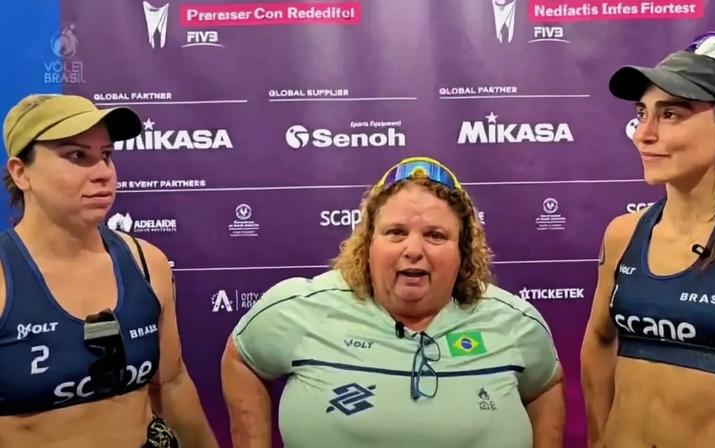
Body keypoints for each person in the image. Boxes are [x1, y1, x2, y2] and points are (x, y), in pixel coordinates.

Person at [221, 156, 565, 447]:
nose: (413, 250)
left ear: (462, 251)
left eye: (435, 235)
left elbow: (545, 386)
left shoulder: (515, 323)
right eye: (396, 232)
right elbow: (243, 358)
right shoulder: (301, 308)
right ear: (369, 243)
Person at [581, 32, 715, 448]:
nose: (643, 133)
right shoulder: (623, 233)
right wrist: (598, 436)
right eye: (641, 113)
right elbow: (600, 339)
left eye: (671, 114)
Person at [0, 94, 218, 448]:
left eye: (106, 155)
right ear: (21, 173)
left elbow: (172, 384)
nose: (103, 173)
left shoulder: (147, 263)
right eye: (77, 156)